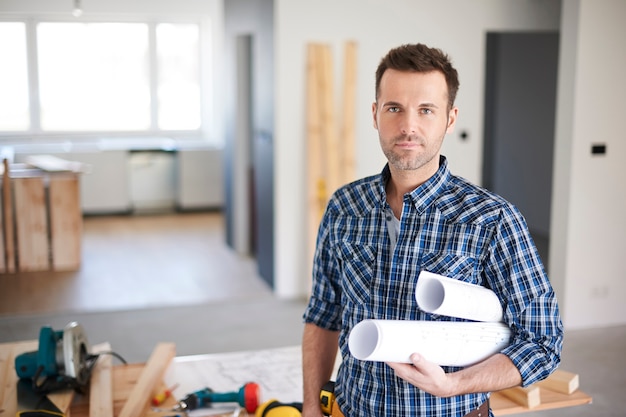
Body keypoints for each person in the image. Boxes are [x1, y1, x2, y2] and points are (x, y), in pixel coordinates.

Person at [301, 43, 563, 417]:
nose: (408, 126)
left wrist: (453, 385)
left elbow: (543, 341)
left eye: (426, 110)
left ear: (449, 119)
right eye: (395, 108)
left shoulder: (492, 219)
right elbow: (322, 316)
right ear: (375, 114)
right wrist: (312, 406)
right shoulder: (344, 207)